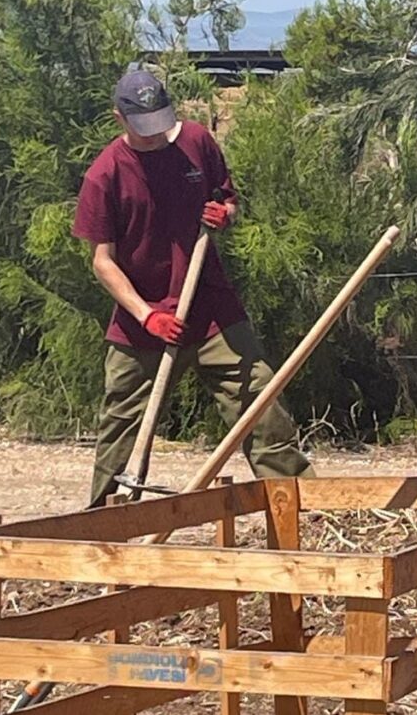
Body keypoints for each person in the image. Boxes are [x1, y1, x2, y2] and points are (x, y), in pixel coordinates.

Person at [73, 70, 315, 508]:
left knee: (261, 406)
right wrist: (148, 315)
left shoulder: (197, 143)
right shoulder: (104, 176)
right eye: (141, 125)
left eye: (159, 120)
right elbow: (102, 262)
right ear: (118, 118)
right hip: (143, 323)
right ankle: (104, 527)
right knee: (122, 427)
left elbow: (228, 198)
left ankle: (308, 509)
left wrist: (225, 213)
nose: (154, 134)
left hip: (211, 309)